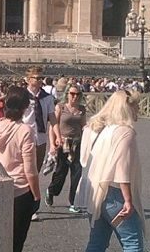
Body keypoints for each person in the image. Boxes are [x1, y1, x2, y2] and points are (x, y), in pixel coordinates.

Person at [75, 89, 144, 252]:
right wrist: (128, 200)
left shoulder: (104, 129)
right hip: (116, 194)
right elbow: (122, 169)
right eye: (136, 106)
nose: (138, 110)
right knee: (132, 243)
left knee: (97, 243)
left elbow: (85, 158)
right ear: (128, 107)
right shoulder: (125, 132)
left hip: (98, 192)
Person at [0, 85, 39, 252]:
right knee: (16, 242)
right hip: (20, 190)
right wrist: (36, 195)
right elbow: (30, 169)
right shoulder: (25, 130)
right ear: (24, 107)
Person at [47, 83, 86, 212]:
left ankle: (73, 202)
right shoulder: (60, 107)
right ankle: (51, 191)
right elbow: (53, 126)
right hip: (63, 143)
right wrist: (52, 144)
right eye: (72, 94)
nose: (75, 97)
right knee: (61, 172)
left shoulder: (82, 109)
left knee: (77, 173)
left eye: (77, 94)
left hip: (77, 143)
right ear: (67, 94)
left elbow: (83, 126)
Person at [22, 66, 56, 184]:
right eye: (37, 78)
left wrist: (58, 137)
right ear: (28, 79)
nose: (40, 80)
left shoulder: (47, 97)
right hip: (24, 138)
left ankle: (31, 197)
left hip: (40, 138)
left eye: (41, 78)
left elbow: (52, 118)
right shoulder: (22, 96)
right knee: (24, 171)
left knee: (36, 171)